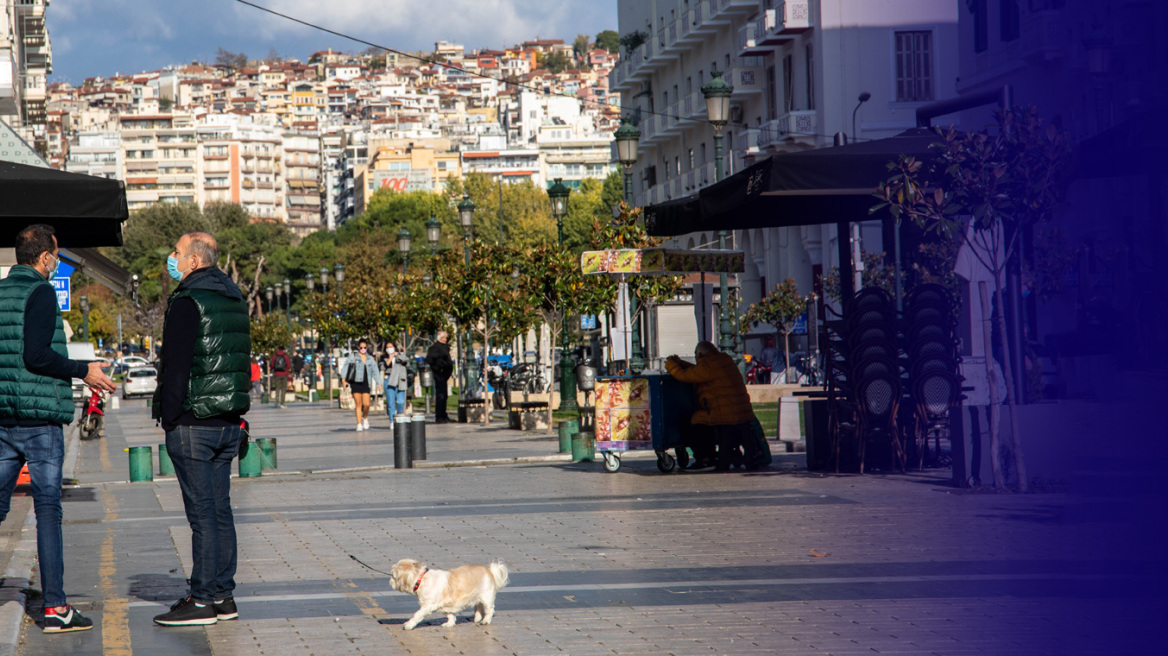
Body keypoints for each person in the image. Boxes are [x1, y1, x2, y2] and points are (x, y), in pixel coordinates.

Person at [0, 224, 116, 633]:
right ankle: (55, 609)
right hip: (39, 420)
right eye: (57, 253)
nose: (58, 260)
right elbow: (37, 355)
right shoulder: (42, 292)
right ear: (45, 257)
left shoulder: (1, 292)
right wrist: (84, 370)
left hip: (4, 417)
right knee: (48, 509)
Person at [151, 231, 251, 626]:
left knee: (202, 516)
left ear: (194, 261)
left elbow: (176, 366)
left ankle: (202, 600)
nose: (171, 258)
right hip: (228, 422)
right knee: (221, 512)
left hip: (194, 421)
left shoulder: (188, 300)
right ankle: (223, 596)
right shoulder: (234, 296)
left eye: (176, 252)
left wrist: (171, 416)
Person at [665, 341, 757, 471]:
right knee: (702, 418)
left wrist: (670, 364)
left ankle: (704, 459)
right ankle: (714, 456)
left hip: (724, 414)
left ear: (700, 354)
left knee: (694, 422)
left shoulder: (708, 365)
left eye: (696, 355)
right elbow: (697, 370)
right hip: (741, 412)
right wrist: (680, 363)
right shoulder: (723, 359)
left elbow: (685, 375)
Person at [341, 339, 378, 431]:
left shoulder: (370, 358)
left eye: (365, 347)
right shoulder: (353, 357)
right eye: (361, 347)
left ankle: (365, 418)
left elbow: (375, 371)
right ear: (358, 347)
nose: (363, 349)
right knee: (358, 404)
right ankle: (359, 424)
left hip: (366, 383)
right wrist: (343, 380)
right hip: (355, 382)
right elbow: (345, 367)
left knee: (367, 404)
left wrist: (379, 382)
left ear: (367, 348)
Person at [425, 331, 453, 423]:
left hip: (444, 376)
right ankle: (440, 416)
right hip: (440, 375)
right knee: (440, 395)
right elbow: (429, 359)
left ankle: (443, 415)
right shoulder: (435, 348)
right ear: (441, 338)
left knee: (444, 395)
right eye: (445, 337)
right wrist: (438, 368)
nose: (446, 339)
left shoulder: (444, 347)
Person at [381, 341, 409, 424]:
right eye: (387, 347)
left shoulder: (400, 355)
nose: (389, 348)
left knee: (401, 401)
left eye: (391, 346)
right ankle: (392, 421)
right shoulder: (384, 357)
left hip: (400, 380)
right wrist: (390, 358)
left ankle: (399, 417)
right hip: (389, 380)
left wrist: (398, 356)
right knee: (391, 403)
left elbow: (407, 363)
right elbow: (383, 367)